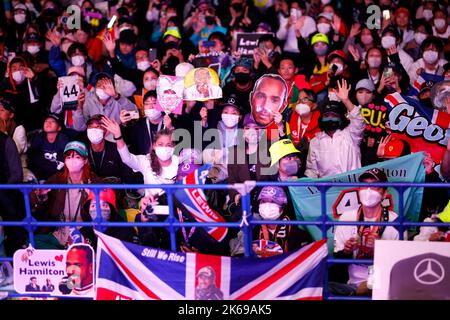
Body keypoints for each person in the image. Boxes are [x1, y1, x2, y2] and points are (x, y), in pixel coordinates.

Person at [330, 168, 404, 296]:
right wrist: (346, 251)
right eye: (364, 185)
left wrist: (382, 248)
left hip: (383, 284)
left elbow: (401, 267)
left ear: (385, 193)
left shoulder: (396, 222)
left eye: (375, 186)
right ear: (359, 190)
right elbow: (336, 265)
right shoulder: (346, 218)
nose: (368, 191)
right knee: (324, 286)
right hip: (349, 284)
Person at [102, 117, 178, 202]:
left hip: (174, 208)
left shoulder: (179, 162)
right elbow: (127, 158)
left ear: (174, 147)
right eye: (160, 144)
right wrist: (118, 136)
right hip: (152, 209)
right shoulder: (146, 161)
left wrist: (171, 128)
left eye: (168, 145)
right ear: (154, 146)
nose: (164, 148)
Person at [305, 79, 365, 178]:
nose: (330, 118)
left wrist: (346, 100)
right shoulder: (315, 142)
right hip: (329, 191)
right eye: (326, 115)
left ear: (341, 119)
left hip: (351, 188)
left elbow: (359, 119)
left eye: (333, 115)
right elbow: (312, 171)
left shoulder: (351, 135)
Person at [252, 186, 311, 258]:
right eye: (263, 201)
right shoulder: (255, 231)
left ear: (282, 207)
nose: (267, 205)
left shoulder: (295, 231)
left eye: (273, 202)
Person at [27, 113, 68, 182]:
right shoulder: (39, 137)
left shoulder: (63, 139)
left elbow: (63, 160)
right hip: (41, 176)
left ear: (59, 128)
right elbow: (34, 158)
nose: (48, 123)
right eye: (46, 121)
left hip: (59, 175)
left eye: (52, 121)